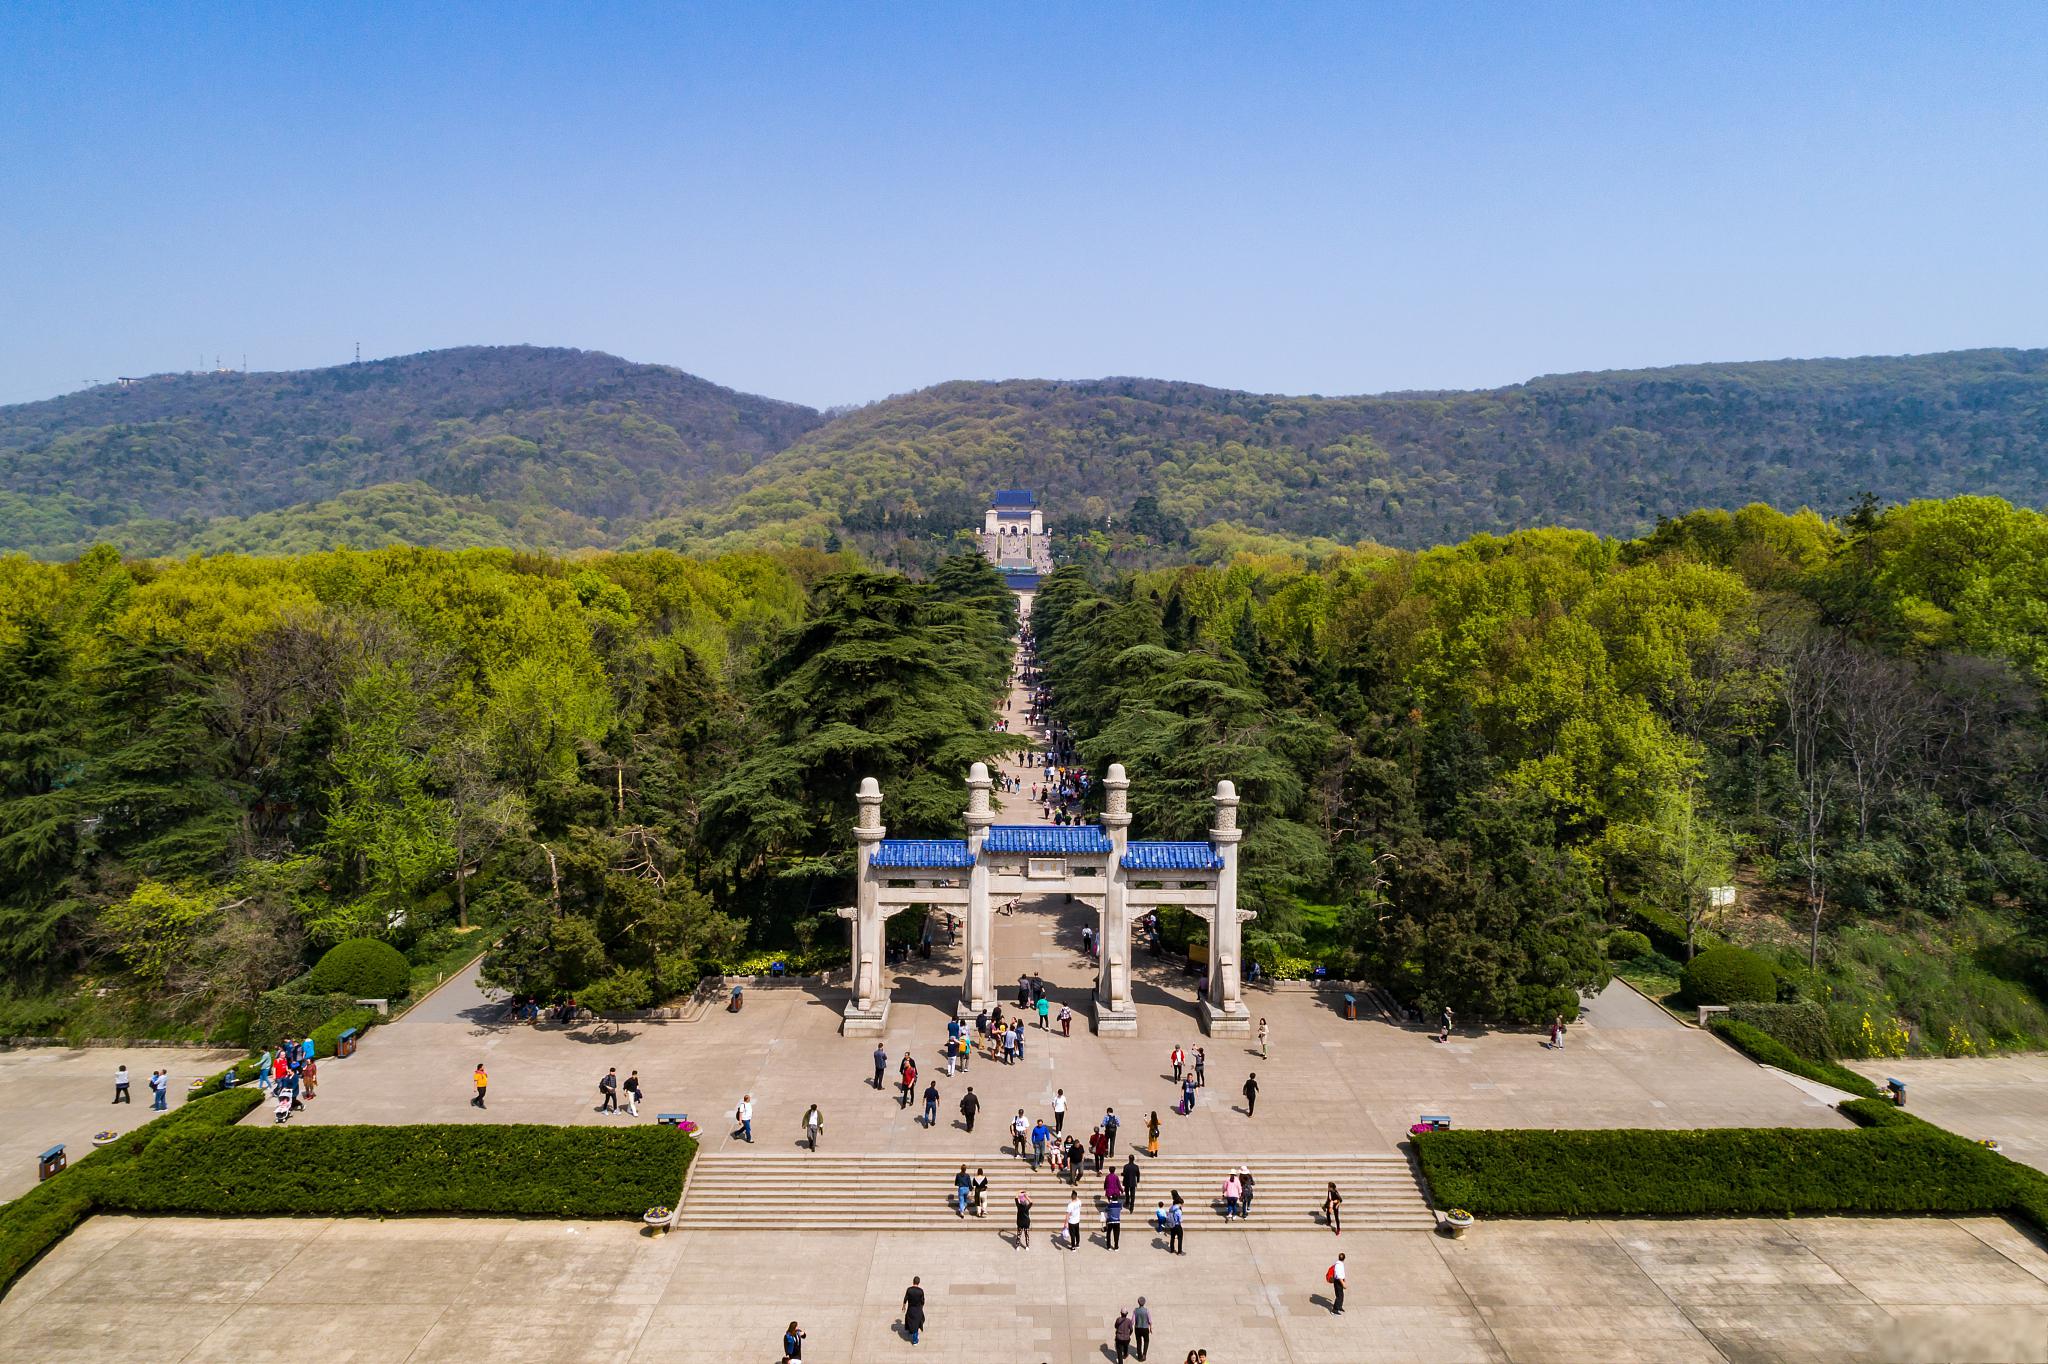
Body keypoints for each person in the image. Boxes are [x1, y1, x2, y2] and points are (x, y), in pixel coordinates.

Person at [902, 1276, 926, 1344]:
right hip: (918, 1309)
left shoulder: (909, 1290)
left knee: (909, 1320)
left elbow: (905, 1299)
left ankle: (910, 1331)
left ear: (913, 1281)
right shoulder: (920, 1291)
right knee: (916, 1324)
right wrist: (921, 1308)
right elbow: (922, 1301)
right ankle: (915, 1341)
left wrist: (903, 1306)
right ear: (919, 1282)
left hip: (910, 1309)